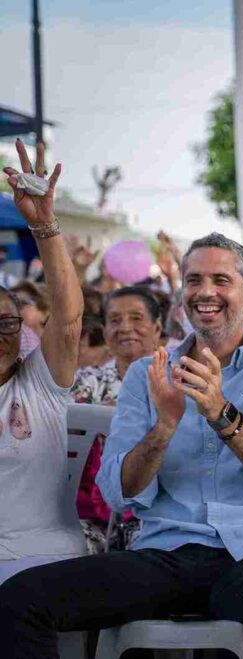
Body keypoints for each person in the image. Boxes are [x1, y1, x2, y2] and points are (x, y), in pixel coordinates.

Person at [0, 231, 243, 659]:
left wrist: (220, 413)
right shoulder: (146, 373)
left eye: (220, 280)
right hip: (165, 555)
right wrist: (164, 427)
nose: (205, 292)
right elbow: (118, 492)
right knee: (20, 600)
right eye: (193, 280)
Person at [0, 139, 86, 585]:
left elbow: (69, 321)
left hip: (37, 557)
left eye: (6, 323)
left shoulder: (38, 383)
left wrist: (45, 226)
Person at [71, 286, 164, 553]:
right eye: (115, 320)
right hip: (93, 511)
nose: (125, 327)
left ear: (157, 327)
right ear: (105, 330)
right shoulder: (87, 381)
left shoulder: (177, 381)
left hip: (154, 513)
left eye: (136, 318)